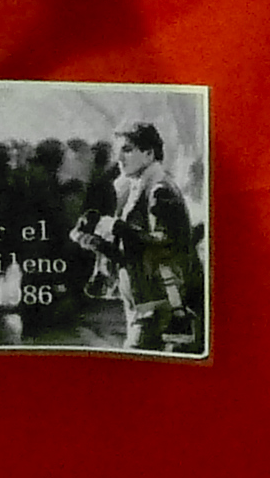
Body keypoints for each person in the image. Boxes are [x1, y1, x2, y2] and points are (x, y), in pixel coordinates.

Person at [84, 122, 204, 347]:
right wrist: (99, 244)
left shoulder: (159, 190)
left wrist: (118, 228)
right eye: (118, 150)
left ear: (149, 153)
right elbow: (135, 251)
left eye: (127, 150)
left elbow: (166, 244)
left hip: (159, 300)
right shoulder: (135, 186)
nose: (119, 158)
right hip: (142, 300)